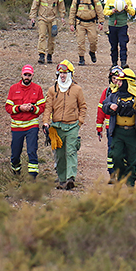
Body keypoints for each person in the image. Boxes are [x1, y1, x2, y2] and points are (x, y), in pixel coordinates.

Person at [102, 67, 136, 186]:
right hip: (118, 132)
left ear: (127, 82)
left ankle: (130, 182)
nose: (118, 84)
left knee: (133, 159)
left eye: (121, 81)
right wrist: (110, 106)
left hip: (132, 133)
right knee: (116, 155)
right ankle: (120, 178)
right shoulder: (114, 95)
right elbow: (104, 105)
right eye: (118, 81)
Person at [42, 60, 87, 190]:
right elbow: (48, 108)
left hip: (73, 126)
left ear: (70, 74)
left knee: (71, 151)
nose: (63, 76)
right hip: (57, 127)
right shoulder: (52, 90)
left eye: (65, 73)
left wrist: (80, 122)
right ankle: (62, 179)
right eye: (60, 73)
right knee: (60, 154)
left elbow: (83, 106)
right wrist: (45, 122)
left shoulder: (77, 89)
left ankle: (70, 177)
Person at [5, 64, 46, 178]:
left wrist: (32, 108)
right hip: (17, 126)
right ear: (21, 75)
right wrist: (19, 108)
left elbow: (42, 107)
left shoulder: (37, 89)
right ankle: (16, 172)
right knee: (15, 154)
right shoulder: (13, 88)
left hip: (31, 125)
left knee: (32, 150)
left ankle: (32, 177)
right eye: (25, 75)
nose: (27, 77)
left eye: (29, 75)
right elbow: (8, 108)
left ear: (32, 75)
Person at [68, 0, 105, 66]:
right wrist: (71, 24)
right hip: (80, 23)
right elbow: (72, 11)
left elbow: (99, 10)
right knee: (80, 42)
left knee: (93, 41)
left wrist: (101, 22)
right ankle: (81, 58)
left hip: (91, 23)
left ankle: (92, 52)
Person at [29, 0, 66, 64]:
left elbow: (61, 5)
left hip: (53, 19)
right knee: (42, 36)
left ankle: (50, 54)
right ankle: (41, 55)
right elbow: (35, 5)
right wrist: (32, 17)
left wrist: (62, 17)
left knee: (52, 37)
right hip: (42, 18)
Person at [96, 65, 124, 178]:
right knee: (111, 149)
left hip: (123, 126)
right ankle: (111, 172)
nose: (116, 81)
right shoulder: (107, 92)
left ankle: (122, 172)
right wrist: (99, 127)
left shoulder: (126, 91)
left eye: (118, 79)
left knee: (123, 149)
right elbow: (100, 110)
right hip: (110, 128)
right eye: (114, 79)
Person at [102, 0, 136, 68]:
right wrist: (112, 11)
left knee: (123, 44)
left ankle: (123, 62)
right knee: (113, 45)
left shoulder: (127, 0)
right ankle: (114, 63)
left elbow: (132, 12)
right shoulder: (110, 0)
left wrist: (127, 8)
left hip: (122, 26)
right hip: (112, 26)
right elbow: (105, 12)